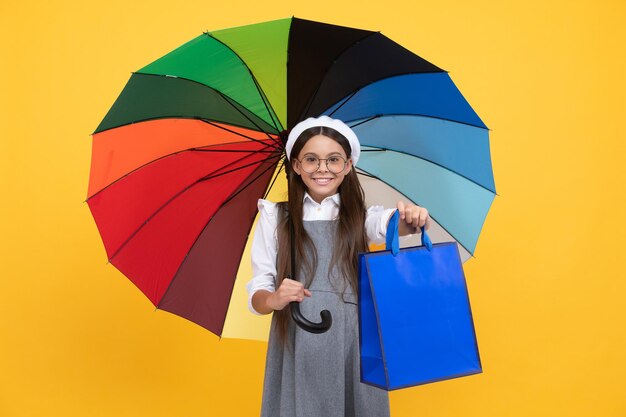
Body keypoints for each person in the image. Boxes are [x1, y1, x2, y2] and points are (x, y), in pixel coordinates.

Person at [246, 116, 430, 417]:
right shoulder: (274, 216)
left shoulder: (361, 217)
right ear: (295, 165)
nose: (322, 168)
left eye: (333, 160)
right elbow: (259, 290)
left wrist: (412, 217)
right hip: (297, 335)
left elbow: (389, 225)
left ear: (347, 165)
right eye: (311, 160)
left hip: (353, 338)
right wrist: (274, 298)